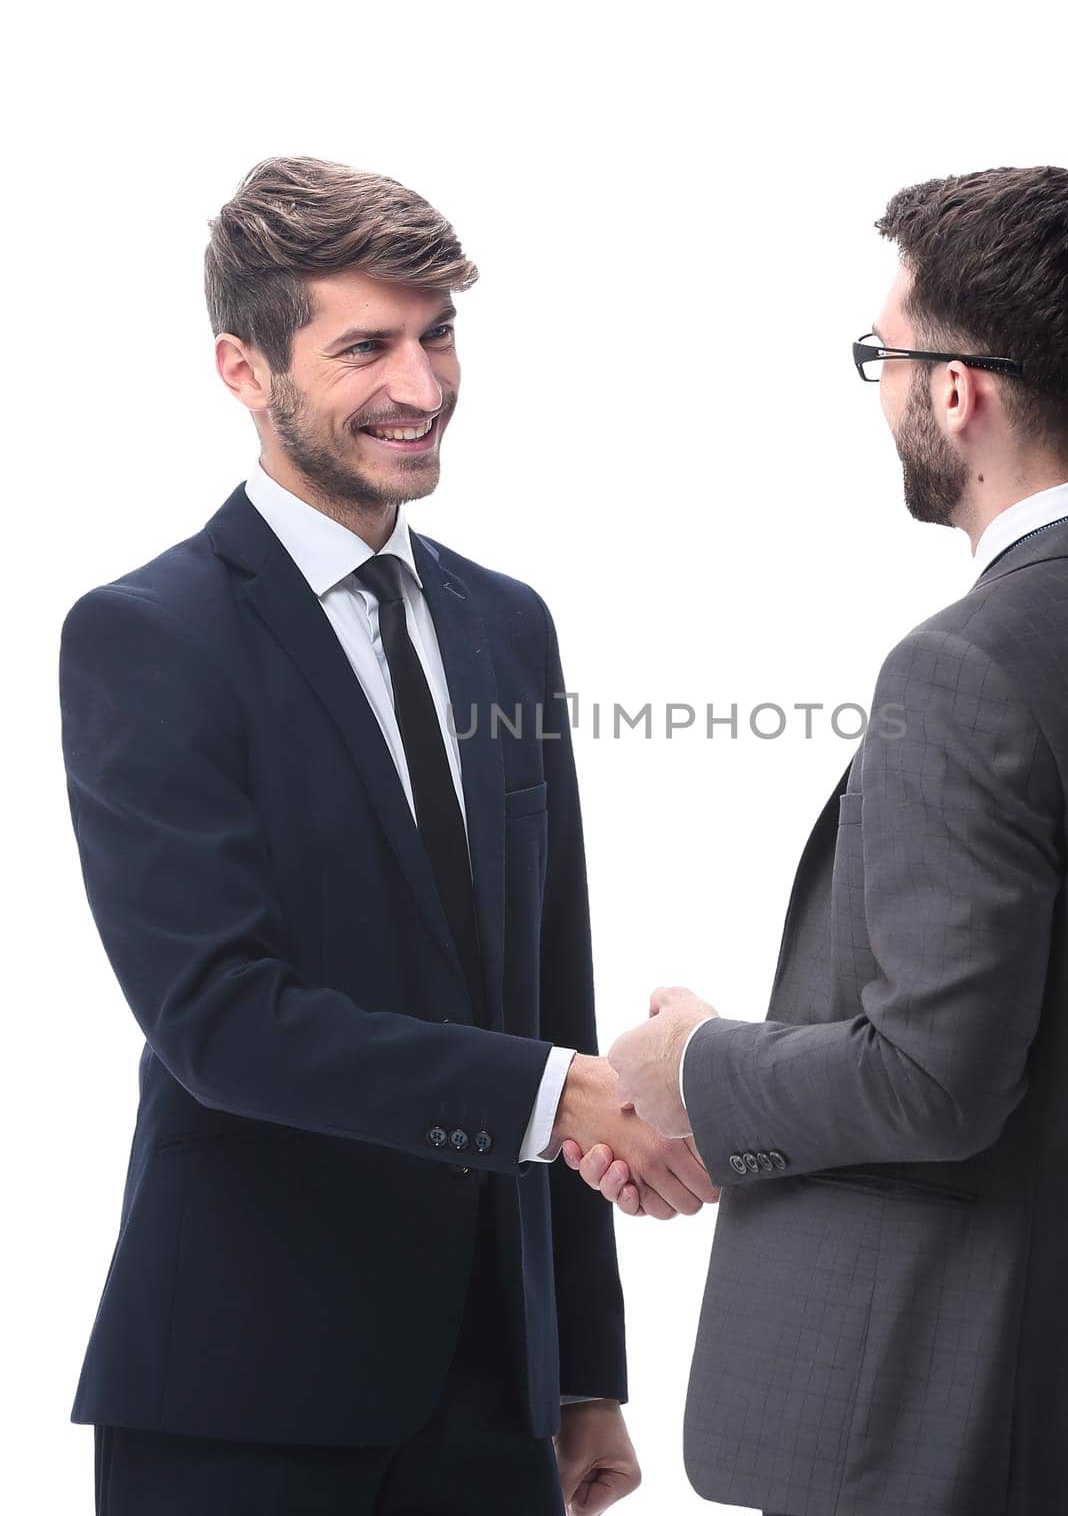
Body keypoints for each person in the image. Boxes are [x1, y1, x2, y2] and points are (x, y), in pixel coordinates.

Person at [563, 165, 1068, 1516]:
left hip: (938, 1431)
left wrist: (693, 1065)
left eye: (884, 356)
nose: (881, 392)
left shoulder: (970, 665)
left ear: (956, 388)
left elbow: (937, 1082)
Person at [57, 153, 715, 1516]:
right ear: (245, 370)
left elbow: (545, 984)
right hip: (244, 1393)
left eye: (438, 336)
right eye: (366, 347)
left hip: (492, 1389)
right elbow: (221, 1020)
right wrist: (559, 1095)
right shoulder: (146, 638)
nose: (421, 389)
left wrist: (581, 1369)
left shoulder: (504, 624)